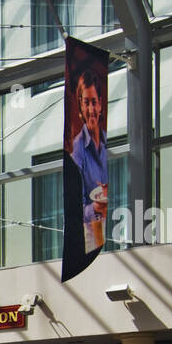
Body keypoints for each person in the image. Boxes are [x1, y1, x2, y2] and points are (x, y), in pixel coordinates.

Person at [69, 67, 107, 251]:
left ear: (100, 104)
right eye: (86, 103)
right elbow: (76, 208)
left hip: (117, 222)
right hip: (93, 230)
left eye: (94, 102)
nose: (91, 109)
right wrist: (96, 208)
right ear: (81, 107)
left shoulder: (107, 142)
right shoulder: (78, 149)